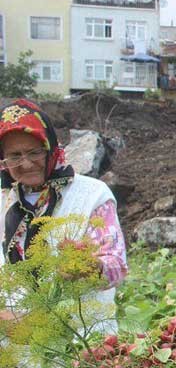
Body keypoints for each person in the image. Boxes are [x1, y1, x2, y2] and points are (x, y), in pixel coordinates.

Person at [0, 99, 127, 334]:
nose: (26, 163)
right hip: (19, 345)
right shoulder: (3, 200)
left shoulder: (93, 195)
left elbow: (116, 267)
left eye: (34, 152)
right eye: (14, 156)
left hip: (84, 343)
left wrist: (90, 266)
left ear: (51, 147)